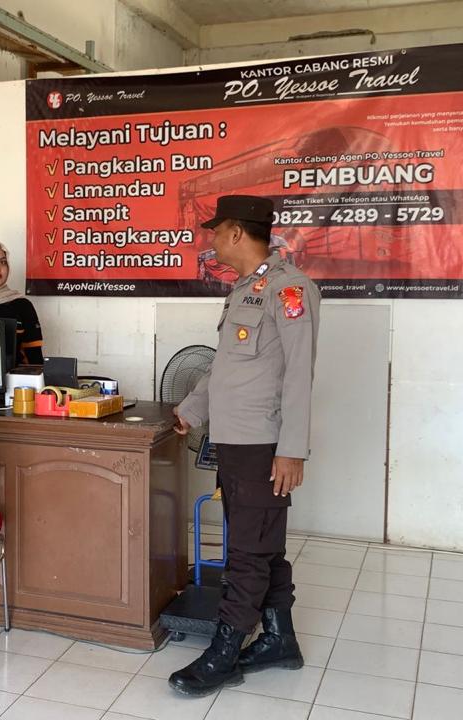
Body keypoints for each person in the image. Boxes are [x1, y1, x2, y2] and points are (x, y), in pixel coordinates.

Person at [168, 195, 321, 696]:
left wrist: (292, 449)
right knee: (261, 543)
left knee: (247, 554)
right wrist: (192, 410)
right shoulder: (244, 290)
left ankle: (225, 652)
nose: (211, 241)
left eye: (216, 232)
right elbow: (225, 366)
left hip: (263, 444)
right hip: (234, 441)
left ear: (236, 233)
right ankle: (279, 640)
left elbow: (299, 374)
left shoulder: (290, 289)